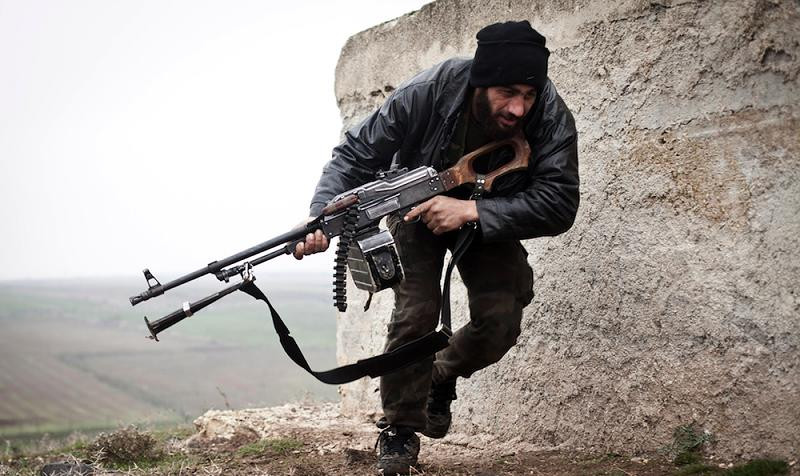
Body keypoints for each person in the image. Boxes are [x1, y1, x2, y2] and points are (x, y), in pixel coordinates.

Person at [295, 20, 579, 475]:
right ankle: (399, 428)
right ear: (481, 81)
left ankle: (440, 375)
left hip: (489, 213)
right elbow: (355, 154)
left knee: (501, 320)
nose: (519, 107)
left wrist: (471, 211)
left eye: (528, 94)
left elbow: (560, 202)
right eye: (507, 93)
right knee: (416, 315)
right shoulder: (429, 90)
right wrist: (319, 217)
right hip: (414, 211)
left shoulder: (548, 113)